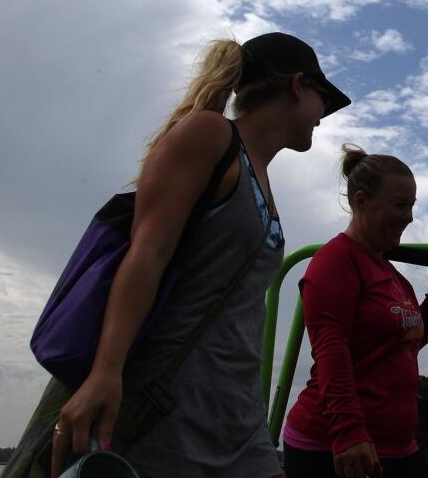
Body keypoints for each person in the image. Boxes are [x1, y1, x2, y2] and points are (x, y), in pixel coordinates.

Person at [48, 32, 351, 478]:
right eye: (322, 98)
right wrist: (105, 371)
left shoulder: (260, 175)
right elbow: (148, 250)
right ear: (298, 85)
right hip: (169, 408)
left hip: (236, 414)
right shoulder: (210, 134)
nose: (324, 116)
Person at [282, 146, 428, 478]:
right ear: (361, 201)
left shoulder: (393, 275)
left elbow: (407, 341)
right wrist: (347, 432)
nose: (408, 216)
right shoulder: (336, 260)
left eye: (411, 206)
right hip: (333, 444)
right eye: (399, 205)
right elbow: (330, 351)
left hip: (396, 444)